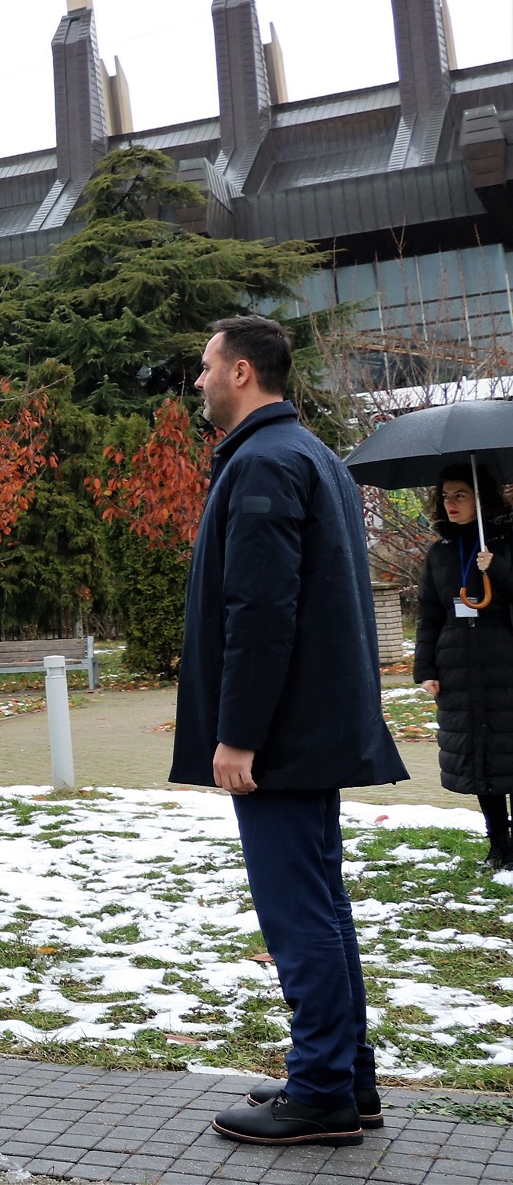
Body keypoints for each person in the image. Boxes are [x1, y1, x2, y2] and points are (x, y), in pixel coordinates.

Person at [171, 316, 407, 1147]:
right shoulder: (311, 455)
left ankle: (321, 1093)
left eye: (204, 369)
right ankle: (348, 1079)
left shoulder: (267, 461)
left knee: (298, 914)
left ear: (241, 372)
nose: (196, 382)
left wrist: (237, 736)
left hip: (281, 740)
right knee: (324, 906)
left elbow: (261, 611)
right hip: (310, 729)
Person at [413, 465, 513, 872]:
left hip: (504, 660)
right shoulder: (440, 552)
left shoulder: (505, 544)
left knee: (509, 753)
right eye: (446, 496)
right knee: (479, 759)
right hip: (459, 666)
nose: (450, 504)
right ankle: (498, 844)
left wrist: (499, 568)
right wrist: (426, 668)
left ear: (481, 498)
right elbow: (428, 613)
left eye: (460, 495)